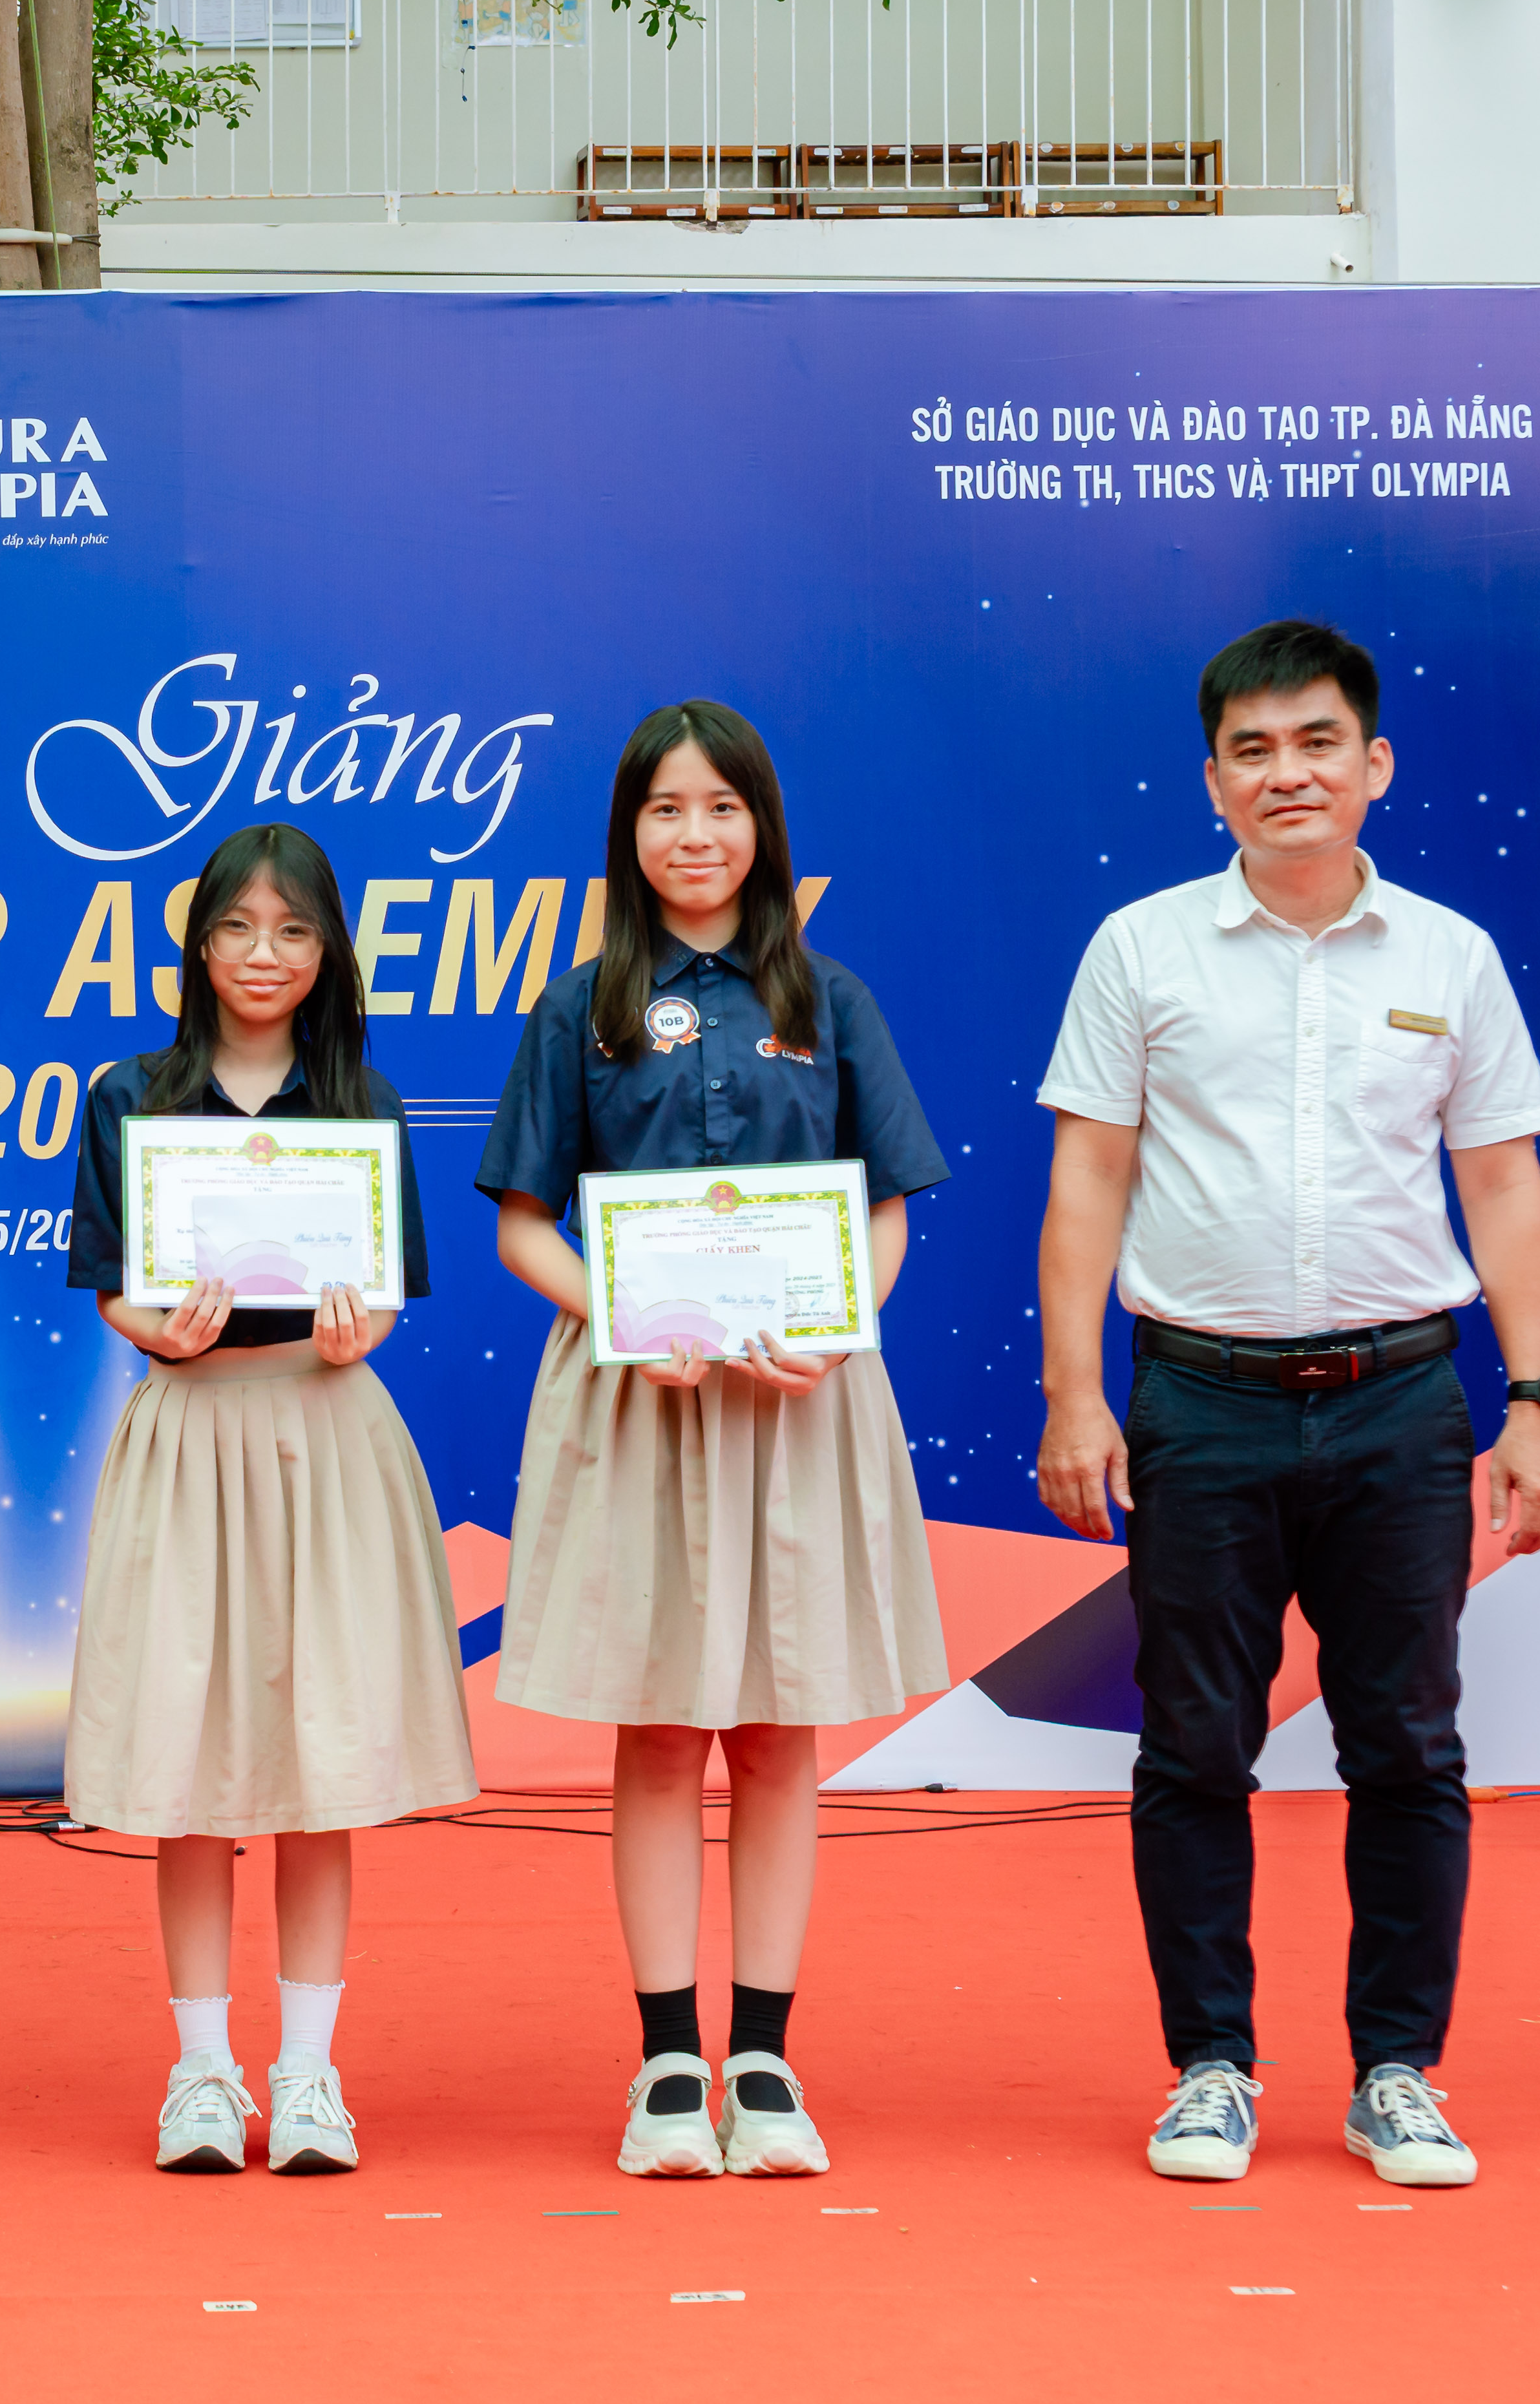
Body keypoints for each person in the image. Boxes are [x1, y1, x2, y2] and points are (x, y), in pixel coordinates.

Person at [1033, 619, 1540, 2191]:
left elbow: (1500, 1187)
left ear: (1372, 763)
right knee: (1192, 1747)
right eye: (1252, 750)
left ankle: (1396, 2070)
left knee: (1405, 1747)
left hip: (1400, 1404)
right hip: (1197, 1405)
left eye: (1316, 741)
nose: (1288, 773)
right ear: (1211, 780)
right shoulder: (1138, 948)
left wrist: (1533, 1399)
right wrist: (1076, 1395)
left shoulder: (1448, 957)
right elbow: (1086, 1180)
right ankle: (1208, 2066)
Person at [479, 701, 952, 2181]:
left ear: (762, 824)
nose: (694, 834)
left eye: (720, 806)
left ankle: (763, 2053)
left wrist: (836, 1326)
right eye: (664, 809)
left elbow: (882, 1208)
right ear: (627, 833)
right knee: (659, 1720)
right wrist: (623, 1314)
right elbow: (521, 1228)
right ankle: (666, 2060)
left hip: (795, 1396)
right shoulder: (581, 1006)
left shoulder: (828, 995)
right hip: (644, 1400)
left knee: (775, 1722)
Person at [63, 822, 476, 2178]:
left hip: (323, 1430)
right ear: (197, 945)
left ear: (327, 951)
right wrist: (156, 1332)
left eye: (292, 930)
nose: (262, 954)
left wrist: (358, 1336)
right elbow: (112, 1284)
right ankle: (199, 2071)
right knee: (187, 1772)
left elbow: (385, 1290)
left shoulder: (362, 1103)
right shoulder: (131, 1094)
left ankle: (307, 2074)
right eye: (236, 927)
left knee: (316, 1765)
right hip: (188, 1433)